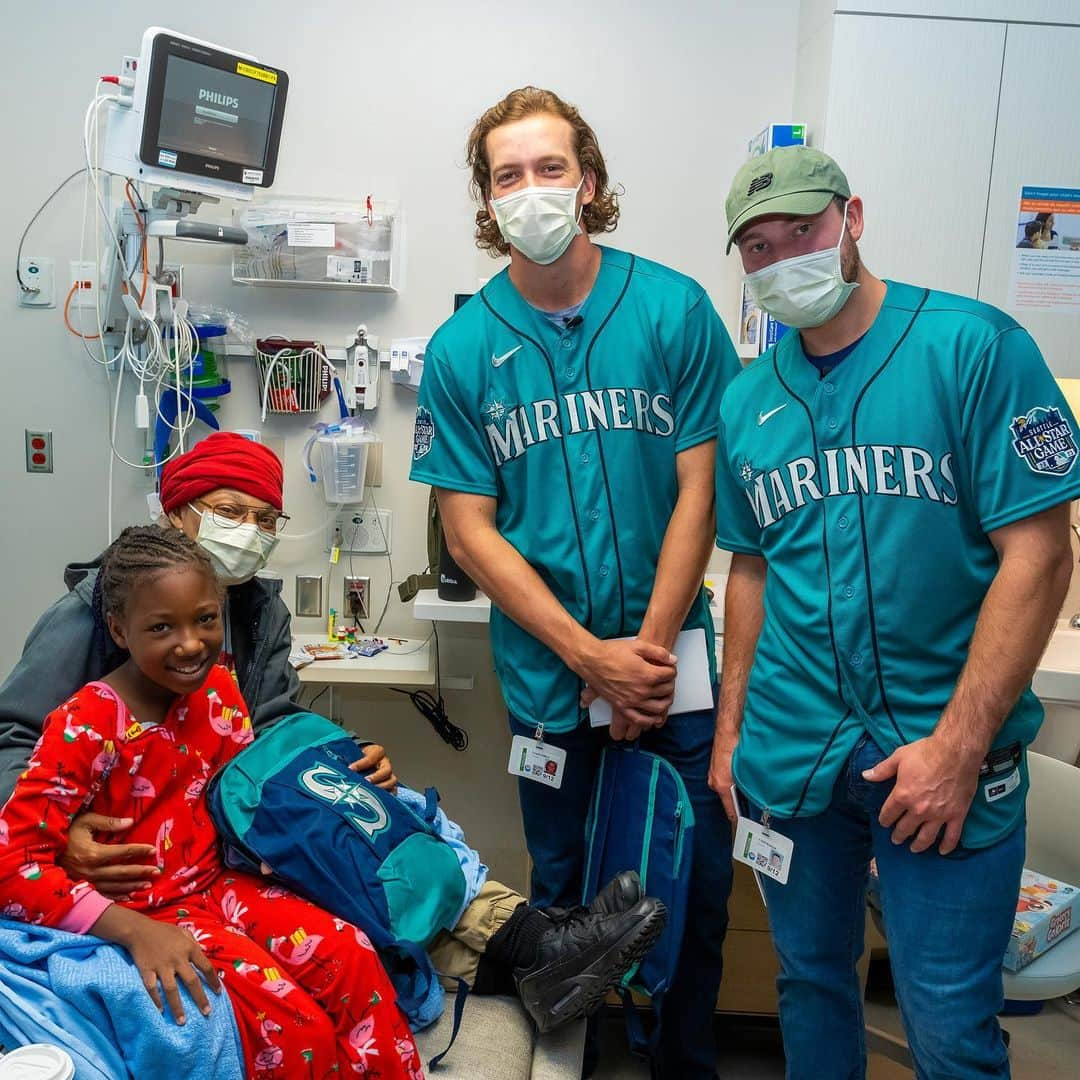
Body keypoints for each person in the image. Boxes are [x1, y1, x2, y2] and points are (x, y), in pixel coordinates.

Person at [0, 431, 664, 1034]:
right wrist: (69, 835)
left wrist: (345, 757)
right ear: (178, 513)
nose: (249, 532)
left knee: (379, 806)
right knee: (341, 840)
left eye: (265, 520)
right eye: (229, 512)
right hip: (150, 835)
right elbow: (13, 737)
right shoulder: (93, 613)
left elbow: (274, 721)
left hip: (232, 804)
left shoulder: (258, 609)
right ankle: (532, 944)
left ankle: (526, 950)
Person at [711, 145, 1078, 1079]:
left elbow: (1038, 552)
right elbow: (751, 570)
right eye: (757, 246)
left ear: (854, 217)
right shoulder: (751, 399)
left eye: (802, 230)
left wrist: (959, 749)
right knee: (808, 982)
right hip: (792, 756)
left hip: (940, 754)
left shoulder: (974, 348)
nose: (781, 256)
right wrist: (731, 730)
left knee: (949, 1024)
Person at [409, 86, 740, 1077]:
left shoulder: (673, 309)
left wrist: (641, 648)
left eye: (549, 168)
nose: (532, 189)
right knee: (560, 892)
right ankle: (575, 1067)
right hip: (552, 682)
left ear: (587, 182)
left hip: (670, 666)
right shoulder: (466, 349)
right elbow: (470, 532)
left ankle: (680, 1065)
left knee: (689, 887)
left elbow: (703, 486)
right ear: (487, 200)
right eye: (508, 175)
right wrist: (587, 653)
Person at [0, 526, 423, 1078]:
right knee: (295, 1028)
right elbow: (12, 866)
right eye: (161, 627)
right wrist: (133, 930)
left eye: (205, 619)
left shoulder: (220, 691)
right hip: (150, 907)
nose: (191, 643)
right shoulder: (87, 724)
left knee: (351, 957)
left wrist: (350, 773)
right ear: (117, 630)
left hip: (225, 883)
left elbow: (247, 792)